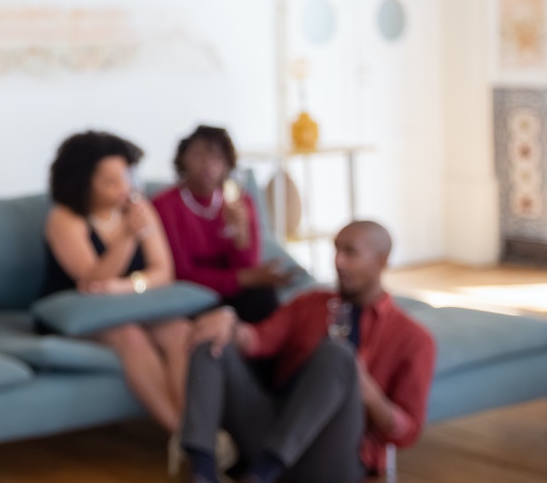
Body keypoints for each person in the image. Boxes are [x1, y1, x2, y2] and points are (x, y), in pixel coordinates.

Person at [179, 221, 436, 483]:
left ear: (381, 262)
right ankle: (202, 473)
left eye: (350, 253)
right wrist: (228, 320)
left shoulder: (413, 338)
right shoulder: (309, 303)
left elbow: (407, 433)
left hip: (331, 456)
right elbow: (257, 340)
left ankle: (261, 474)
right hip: (268, 432)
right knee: (210, 337)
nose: (338, 262)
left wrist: (367, 391)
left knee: (337, 354)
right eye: (336, 251)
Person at [41, 131, 192, 436]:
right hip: (78, 314)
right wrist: (127, 237)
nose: (124, 189)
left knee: (178, 330)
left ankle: (196, 430)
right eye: (110, 182)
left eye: (125, 177)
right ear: (83, 183)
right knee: (131, 337)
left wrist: (125, 288)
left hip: (129, 303)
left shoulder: (139, 208)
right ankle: (181, 433)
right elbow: (92, 280)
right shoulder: (64, 219)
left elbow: (163, 272)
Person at [152, 125, 290, 324]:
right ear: (183, 160)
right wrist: (243, 279)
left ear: (227, 165)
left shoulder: (241, 202)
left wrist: (241, 235)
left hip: (234, 291)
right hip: (192, 293)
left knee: (263, 296)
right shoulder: (165, 205)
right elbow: (180, 273)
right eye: (198, 155)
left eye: (217, 158)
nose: (208, 165)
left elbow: (248, 267)